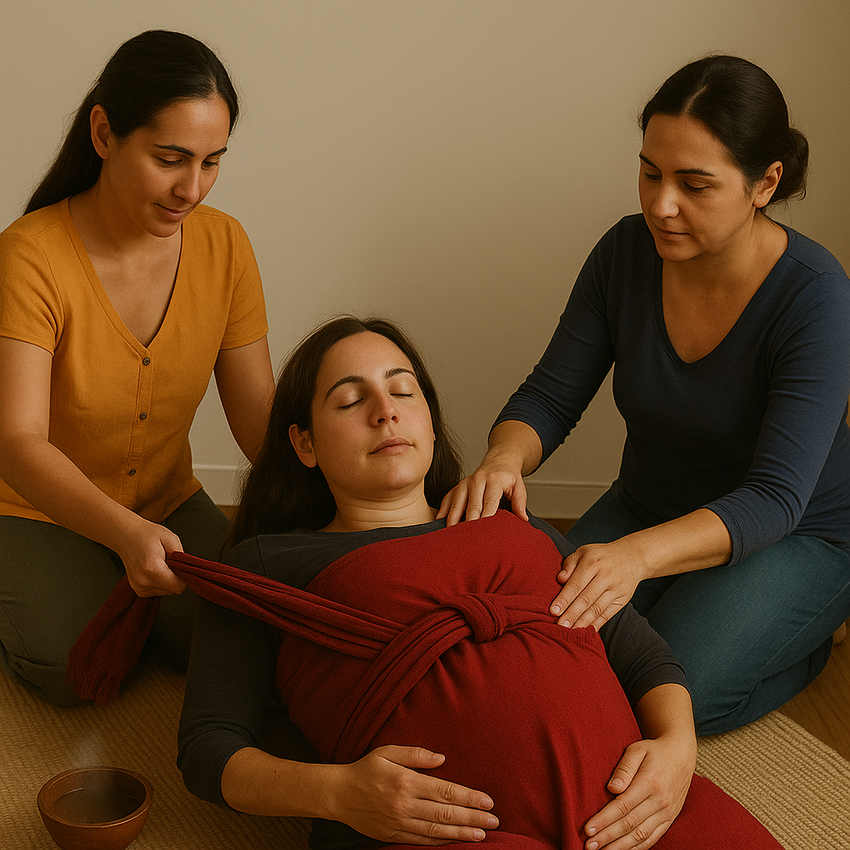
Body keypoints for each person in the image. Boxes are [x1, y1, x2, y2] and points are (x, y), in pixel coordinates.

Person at [177, 316, 782, 850]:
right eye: (348, 400)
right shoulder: (264, 567)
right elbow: (209, 747)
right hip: (450, 837)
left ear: (431, 424)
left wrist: (677, 750)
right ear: (303, 444)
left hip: (631, 812)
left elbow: (640, 653)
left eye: (402, 390)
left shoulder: (514, 527)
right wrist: (336, 792)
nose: (384, 410)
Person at [437, 54, 850, 735]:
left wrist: (635, 560)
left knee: (667, 692)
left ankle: (811, 636)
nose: (661, 204)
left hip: (795, 533)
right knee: (540, 652)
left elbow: (776, 498)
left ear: (764, 183)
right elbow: (549, 394)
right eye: (650, 172)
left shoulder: (817, 297)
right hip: (648, 504)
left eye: (695, 184)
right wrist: (504, 460)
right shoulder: (625, 253)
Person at [0, 30, 274, 706]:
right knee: (69, 669)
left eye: (212, 162)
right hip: (34, 507)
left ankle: (126, 592)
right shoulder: (28, 256)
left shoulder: (226, 245)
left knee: (248, 644)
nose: (192, 188)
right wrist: (124, 536)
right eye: (170, 158)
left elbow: (258, 418)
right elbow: (18, 442)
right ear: (103, 133)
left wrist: (343, 513)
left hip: (166, 500)